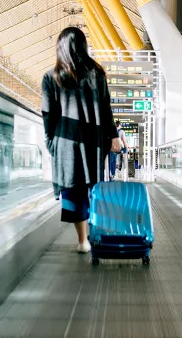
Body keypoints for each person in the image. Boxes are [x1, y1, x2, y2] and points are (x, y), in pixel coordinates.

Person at [42, 27, 122, 253]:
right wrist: (113, 135)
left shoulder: (51, 77)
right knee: (93, 187)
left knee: (74, 190)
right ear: (84, 47)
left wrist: (51, 143)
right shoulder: (97, 74)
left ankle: (83, 240)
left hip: (66, 144)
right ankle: (97, 231)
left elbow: (48, 115)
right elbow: (106, 109)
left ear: (60, 49)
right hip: (93, 142)